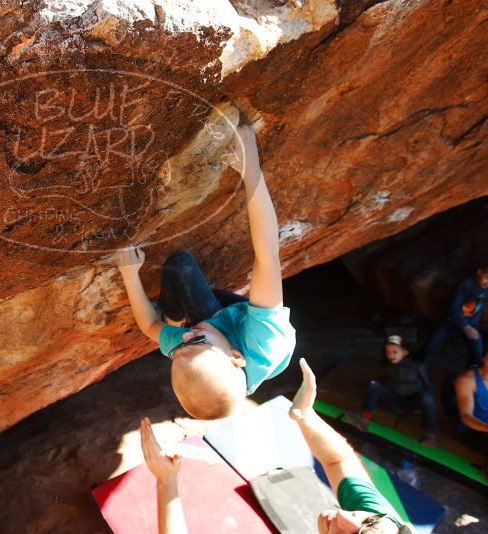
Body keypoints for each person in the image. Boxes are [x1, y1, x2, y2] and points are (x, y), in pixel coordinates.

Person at [117, 118, 296, 420]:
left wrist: (129, 273)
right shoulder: (265, 342)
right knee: (200, 287)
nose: (186, 337)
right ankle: (190, 316)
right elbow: (267, 255)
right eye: (194, 341)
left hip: (221, 333)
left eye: (178, 349)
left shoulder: (193, 350)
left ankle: (173, 314)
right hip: (239, 325)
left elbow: (150, 326)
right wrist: (249, 164)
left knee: (179, 265)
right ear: (236, 358)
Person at [139, 358, 411, 534]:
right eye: (365, 520)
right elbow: (339, 461)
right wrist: (306, 416)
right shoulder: (385, 526)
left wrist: (167, 483)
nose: (343, 516)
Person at [346, 335, 436, 447]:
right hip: (394, 401)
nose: (391, 355)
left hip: (413, 403)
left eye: (395, 352)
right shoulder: (384, 366)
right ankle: (364, 419)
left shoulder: (417, 367)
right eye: (388, 352)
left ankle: (429, 434)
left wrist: (427, 404)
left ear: (405, 352)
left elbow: (427, 387)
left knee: (428, 397)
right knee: (374, 385)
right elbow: (380, 383)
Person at [417, 266, 488, 368]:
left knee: (477, 353)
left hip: (472, 323)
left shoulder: (486, 289)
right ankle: (414, 365)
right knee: (430, 345)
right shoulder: (466, 284)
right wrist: (465, 327)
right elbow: (454, 308)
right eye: (486, 277)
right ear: (479, 272)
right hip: (451, 322)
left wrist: (470, 326)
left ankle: (469, 376)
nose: (487, 282)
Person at [454, 352, 488, 457]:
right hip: (472, 430)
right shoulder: (467, 380)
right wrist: (486, 428)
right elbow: (466, 416)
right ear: (484, 357)